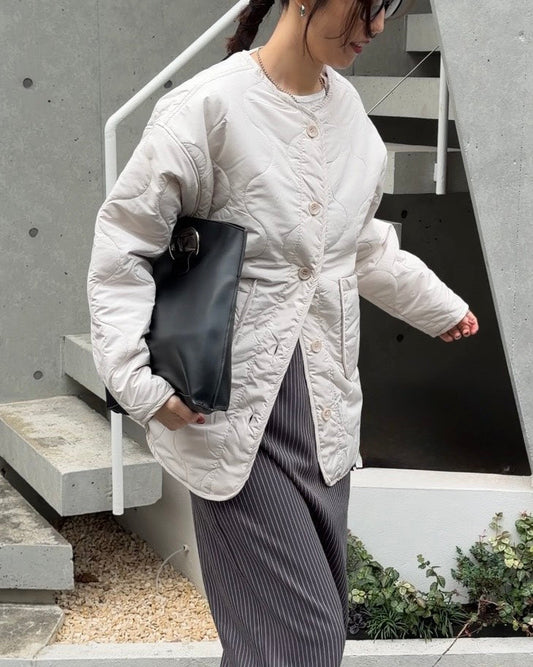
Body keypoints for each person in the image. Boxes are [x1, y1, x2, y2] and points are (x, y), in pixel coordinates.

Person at [87, 0, 479, 664]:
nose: (376, 27)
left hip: (323, 410)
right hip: (233, 410)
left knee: (273, 644)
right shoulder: (206, 109)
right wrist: (136, 380)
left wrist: (435, 305)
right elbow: (125, 245)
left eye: (386, 7)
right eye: (364, 6)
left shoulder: (349, 115)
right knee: (303, 641)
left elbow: (358, 245)